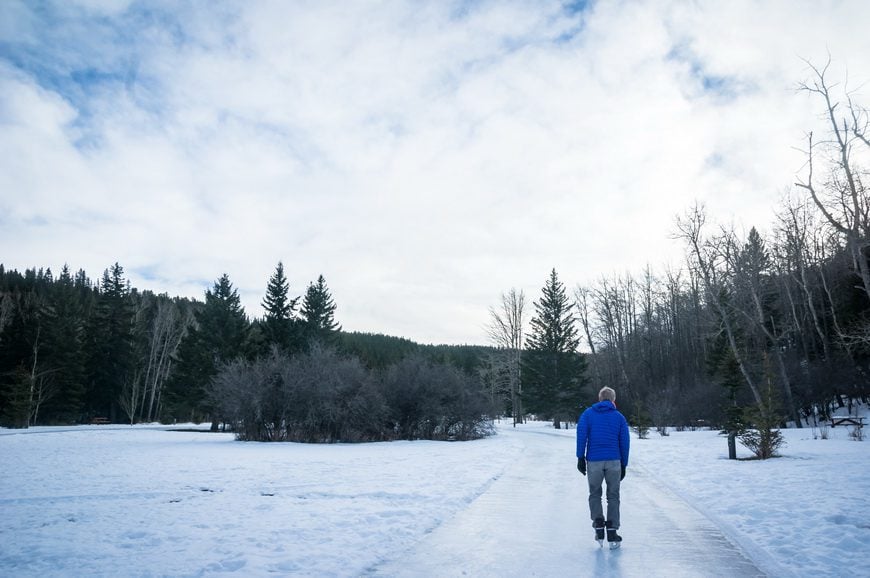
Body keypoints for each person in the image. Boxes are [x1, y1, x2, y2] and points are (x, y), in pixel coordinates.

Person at [576, 386, 630, 548]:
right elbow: (625, 442)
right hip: (614, 461)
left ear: (599, 399)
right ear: (613, 400)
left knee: (594, 493)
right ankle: (612, 531)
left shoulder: (588, 414)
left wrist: (580, 457)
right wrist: (624, 463)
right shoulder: (619, 417)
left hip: (594, 461)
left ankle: (598, 526)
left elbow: (581, 435)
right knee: (613, 496)